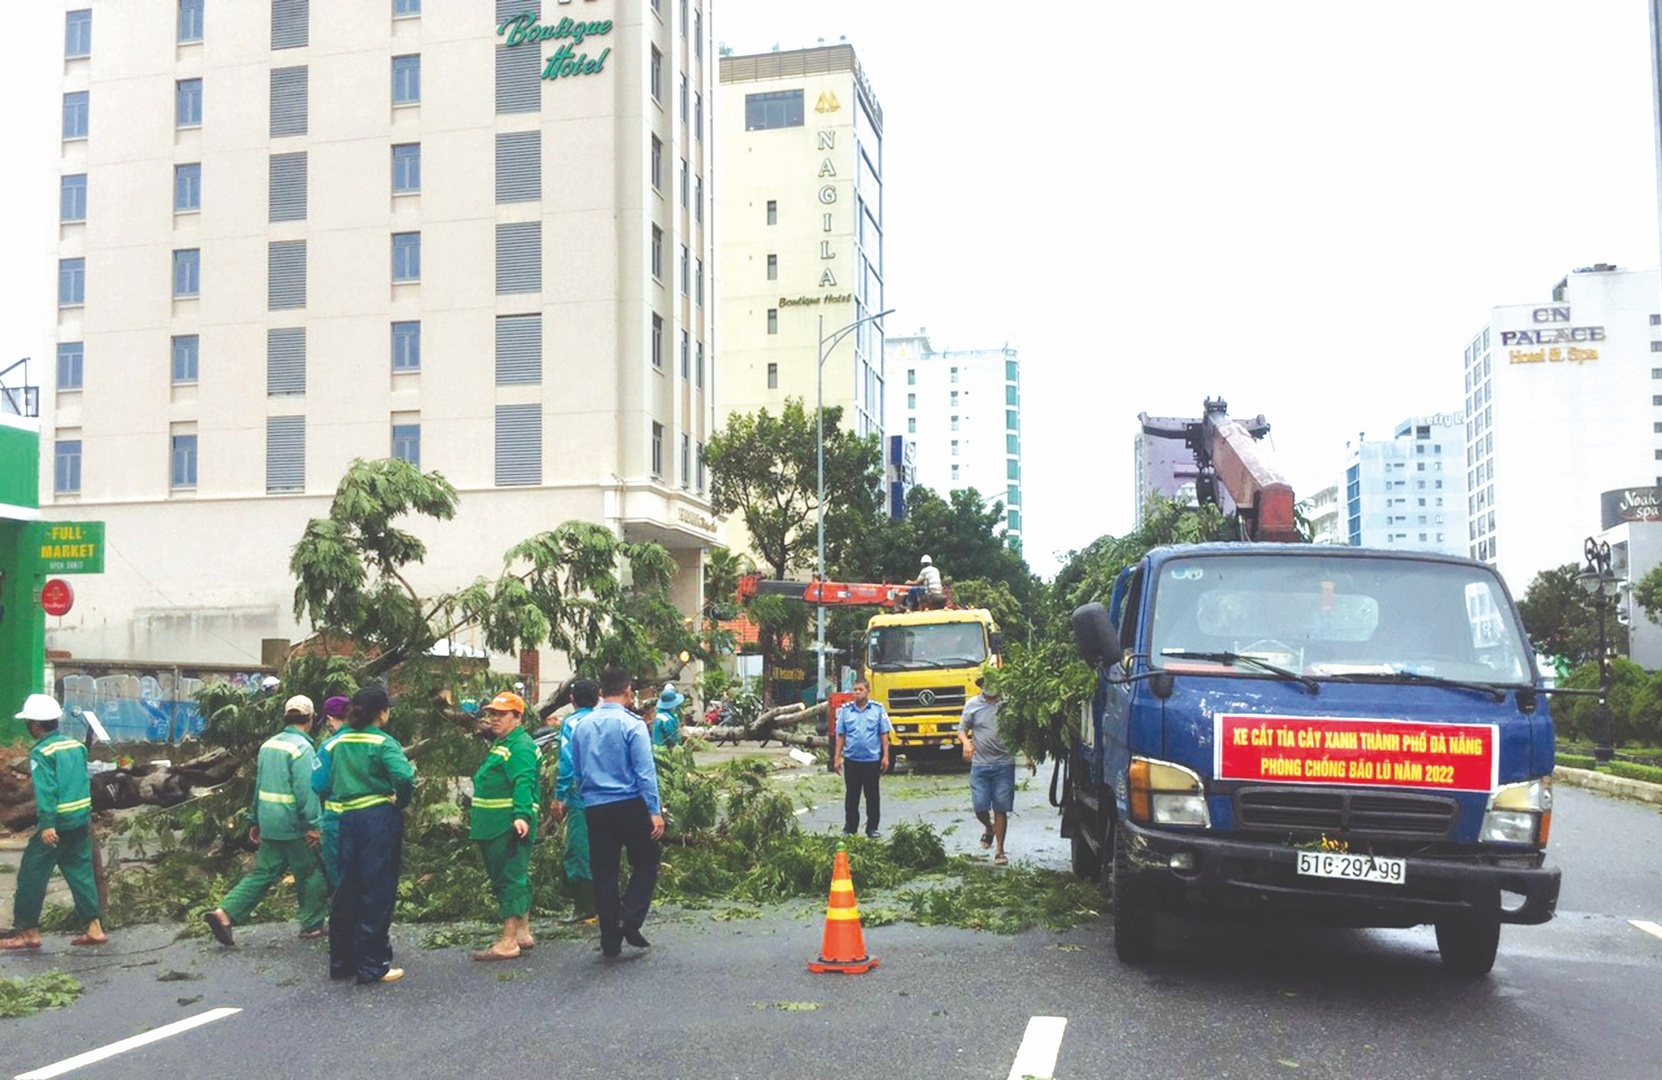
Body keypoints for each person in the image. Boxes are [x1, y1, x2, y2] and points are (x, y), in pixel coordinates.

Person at [204, 696, 328, 944]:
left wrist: (254, 819)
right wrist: (315, 825)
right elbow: (306, 791)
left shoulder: (269, 745)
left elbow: (259, 785)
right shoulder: (302, 749)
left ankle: (224, 913)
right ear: (311, 719)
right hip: (294, 825)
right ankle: (312, 926)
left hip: (270, 822)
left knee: (263, 873)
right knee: (312, 871)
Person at [566, 668, 663, 958]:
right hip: (629, 802)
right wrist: (654, 811)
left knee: (604, 871)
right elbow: (645, 772)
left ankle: (610, 938)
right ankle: (629, 918)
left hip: (595, 806)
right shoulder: (632, 725)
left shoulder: (583, 726)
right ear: (628, 691)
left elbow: (578, 769)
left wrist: (590, 794)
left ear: (600, 693)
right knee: (646, 860)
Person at [322, 686, 416, 985]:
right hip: (378, 819)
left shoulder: (336, 742)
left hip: (346, 819)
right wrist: (400, 801)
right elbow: (404, 777)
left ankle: (341, 963)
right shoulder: (383, 743)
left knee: (346, 889)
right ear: (383, 713)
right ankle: (373, 965)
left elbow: (319, 781)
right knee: (377, 890)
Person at [0, 694, 107, 951]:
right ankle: (94, 928)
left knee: (31, 873)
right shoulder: (75, 746)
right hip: (81, 819)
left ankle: (27, 932)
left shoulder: (41, 751)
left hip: (57, 822)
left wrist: (47, 824)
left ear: (35, 724)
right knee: (80, 873)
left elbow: (47, 790)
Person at [469, 691, 542, 961]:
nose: (494, 719)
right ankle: (522, 932)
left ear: (518, 717)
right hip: (495, 825)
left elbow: (524, 782)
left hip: (505, 826)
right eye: (492, 714)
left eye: (501, 714)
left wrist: (521, 816)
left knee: (509, 879)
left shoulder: (520, 747)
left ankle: (509, 941)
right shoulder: (507, 743)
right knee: (515, 876)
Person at [957, 668, 1033, 866]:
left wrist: (1028, 756)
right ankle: (988, 828)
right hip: (980, 764)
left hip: (1004, 764)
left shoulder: (1008, 705)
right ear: (981, 685)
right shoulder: (972, 705)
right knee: (980, 806)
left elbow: (1019, 733)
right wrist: (966, 743)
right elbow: (962, 730)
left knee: (1001, 807)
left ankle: (1000, 850)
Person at [552, 679, 600, 923]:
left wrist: (560, 796)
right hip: (606, 797)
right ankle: (605, 901)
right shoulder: (603, 720)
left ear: (572, 700)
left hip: (580, 797)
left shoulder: (571, 723)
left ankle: (585, 907)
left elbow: (568, 761)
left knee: (578, 851)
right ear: (598, 697)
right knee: (602, 849)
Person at [833, 677, 892, 839]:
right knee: (852, 796)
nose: (857, 693)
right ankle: (850, 828)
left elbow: (884, 734)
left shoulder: (877, 710)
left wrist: (886, 756)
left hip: (871, 760)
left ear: (867, 692)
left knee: (872, 795)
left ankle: (872, 827)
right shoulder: (846, 711)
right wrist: (837, 758)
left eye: (861, 690)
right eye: (855, 690)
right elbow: (840, 735)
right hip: (852, 760)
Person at [310, 695, 352, 887]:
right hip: (373, 817)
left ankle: (345, 913)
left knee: (339, 873)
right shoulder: (374, 740)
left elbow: (319, 785)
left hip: (337, 820)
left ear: (330, 719)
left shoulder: (329, 747)